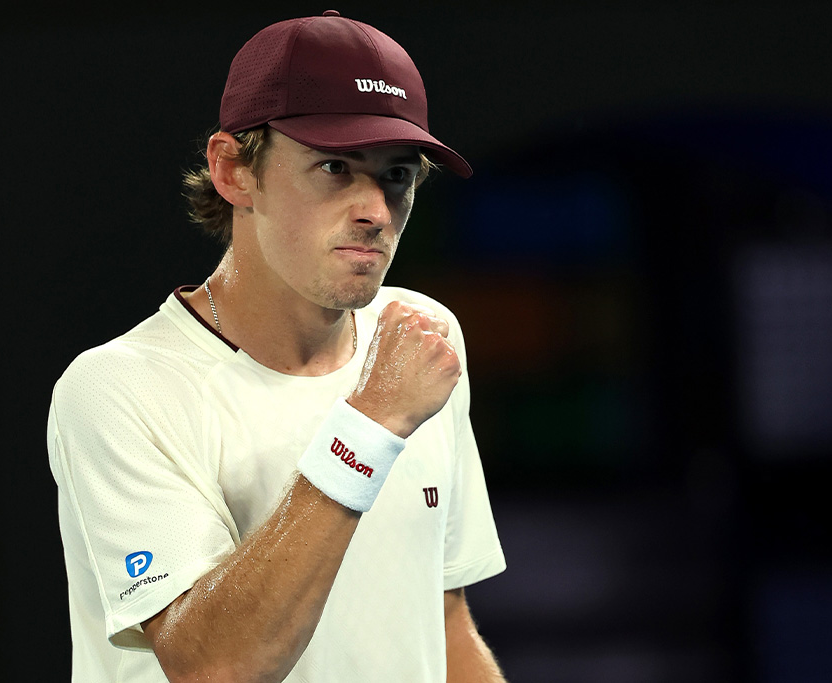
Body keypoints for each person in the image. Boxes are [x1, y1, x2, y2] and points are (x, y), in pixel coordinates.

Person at [47, 10, 506, 682]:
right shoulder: (118, 389)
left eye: (398, 175)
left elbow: (443, 624)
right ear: (233, 170)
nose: (377, 211)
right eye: (335, 167)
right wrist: (371, 424)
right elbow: (215, 668)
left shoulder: (422, 334)